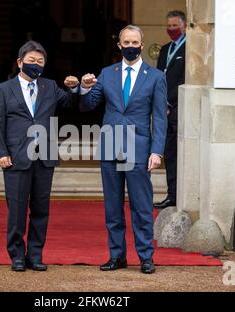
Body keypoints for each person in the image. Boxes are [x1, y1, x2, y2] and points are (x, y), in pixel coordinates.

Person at [79, 25, 167, 274]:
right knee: (112, 207)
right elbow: (88, 105)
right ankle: (117, 256)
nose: (130, 46)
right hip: (111, 146)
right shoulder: (106, 73)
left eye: (134, 42)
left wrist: (157, 151)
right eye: (126, 42)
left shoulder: (156, 77)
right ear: (119, 45)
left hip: (139, 148)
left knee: (141, 206)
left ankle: (146, 257)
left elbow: (159, 118)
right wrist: (85, 88)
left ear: (141, 44)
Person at [0, 41, 79, 272]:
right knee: (17, 210)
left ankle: (35, 255)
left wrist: (75, 88)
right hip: (16, 157)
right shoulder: (3, 89)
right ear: (20, 62)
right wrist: (1, 152)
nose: (36, 65)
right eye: (31, 61)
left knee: (41, 209)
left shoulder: (50, 87)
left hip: (44, 156)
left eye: (40, 61)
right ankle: (17, 255)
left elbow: (70, 103)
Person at [154, 11, 187, 210]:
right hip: (163, 110)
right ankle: (171, 194)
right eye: (169, 26)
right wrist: (160, 102)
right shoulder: (165, 49)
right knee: (169, 154)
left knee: (181, 155)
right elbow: (159, 78)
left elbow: (186, 80)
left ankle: (182, 195)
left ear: (184, 26)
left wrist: (170, 103)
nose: (171, 30)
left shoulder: (192, 49)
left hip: (179, 109)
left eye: (175, 26)